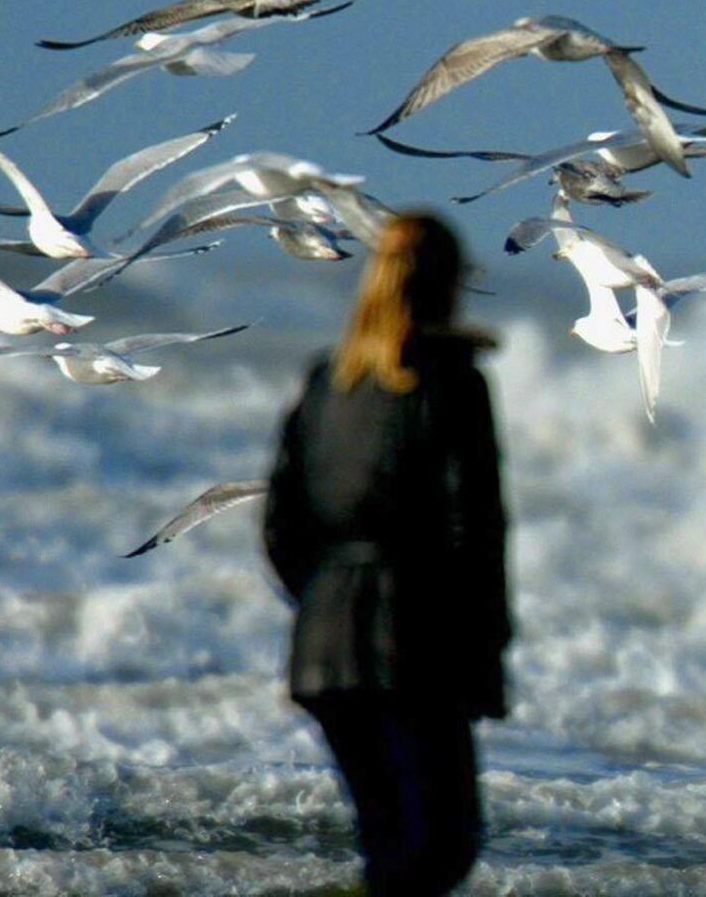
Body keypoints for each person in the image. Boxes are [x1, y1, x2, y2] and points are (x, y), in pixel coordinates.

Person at [263, 211, 511, 897]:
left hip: (322, 649)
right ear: (449, 284)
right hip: (416, 639)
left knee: (390, 844)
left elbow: (281, 523)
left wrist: (320, 600)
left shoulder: (327, 381)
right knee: (443, 846)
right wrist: (487, 645)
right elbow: (477, 529)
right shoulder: (453, 382)